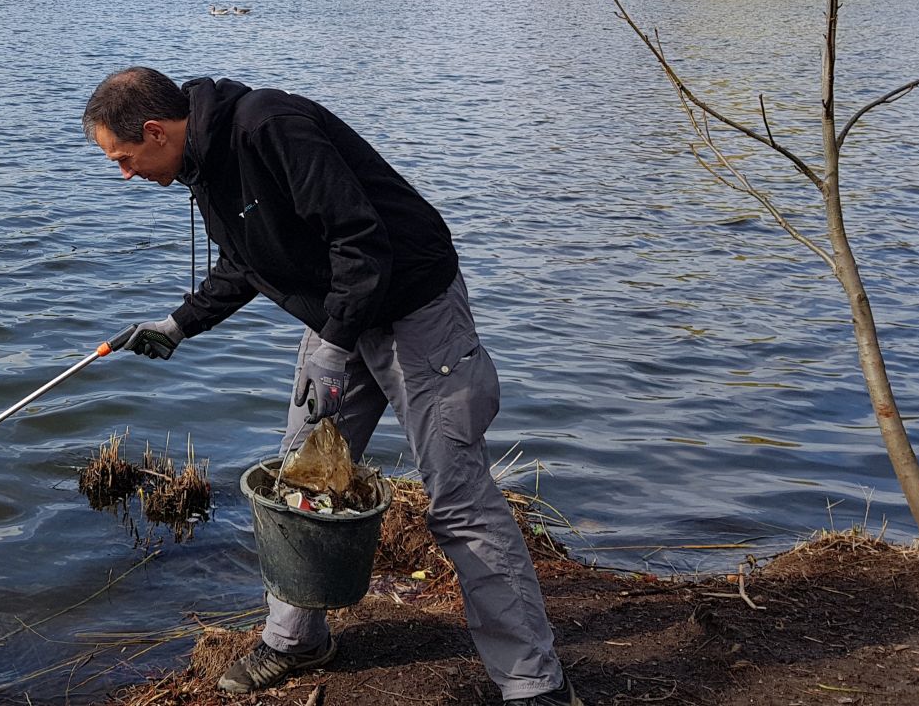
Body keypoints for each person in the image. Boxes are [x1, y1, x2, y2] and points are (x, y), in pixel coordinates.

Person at [81, 67, 581, 706]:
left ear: (155, 132)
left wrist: (338, 347)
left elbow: (361, 241)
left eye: (123, 159)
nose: (124, 174)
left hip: (414, 312)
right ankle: (296, 639)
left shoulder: (269, 126)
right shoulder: (203, 166)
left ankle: (533, 682)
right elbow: (249, 261)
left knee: (459, 500)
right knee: (300, 487)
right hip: (340, 317)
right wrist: (180, 324)